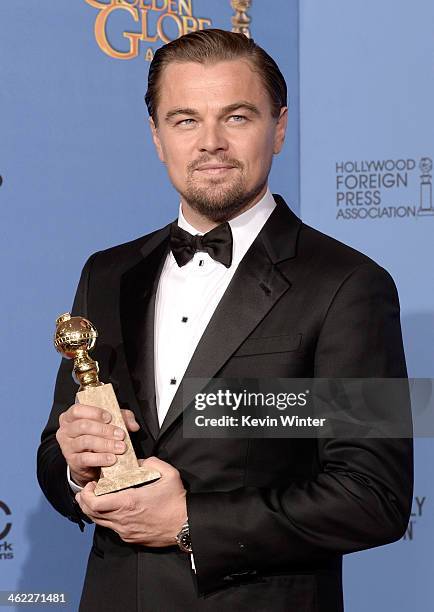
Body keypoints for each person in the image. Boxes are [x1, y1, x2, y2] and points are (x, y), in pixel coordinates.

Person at [37, 29, 413, 612]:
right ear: (157, 137)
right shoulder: (106, 273)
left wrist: (191, 524)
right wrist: (72, 465)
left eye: (236, 117)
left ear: (280, 127)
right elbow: (54, 454)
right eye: (185, 120)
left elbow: (374, 496)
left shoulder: (350, 285)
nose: (210, 142)